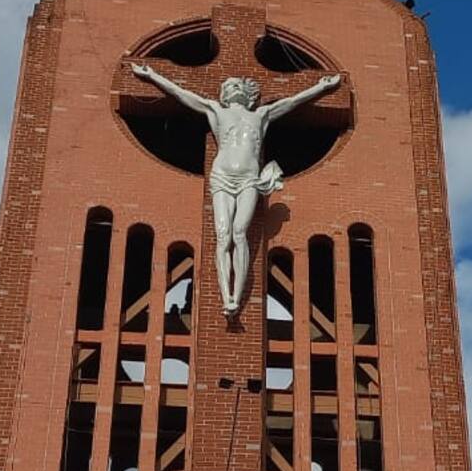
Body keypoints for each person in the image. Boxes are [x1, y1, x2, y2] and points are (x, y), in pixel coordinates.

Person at [132, 63, 341, 314]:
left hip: (249, 179)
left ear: (246, 92)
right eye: (229, 86)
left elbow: (292, 102)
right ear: (224, 94)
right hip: (222, 176)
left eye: (237, 85)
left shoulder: (261, 114)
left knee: (240, 232)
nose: (233, 88)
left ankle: (236, 294)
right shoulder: (216, 111)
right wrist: (152, 75)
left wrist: (320, 87)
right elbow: (181, 94)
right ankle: (226, 294)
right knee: (223, 235)